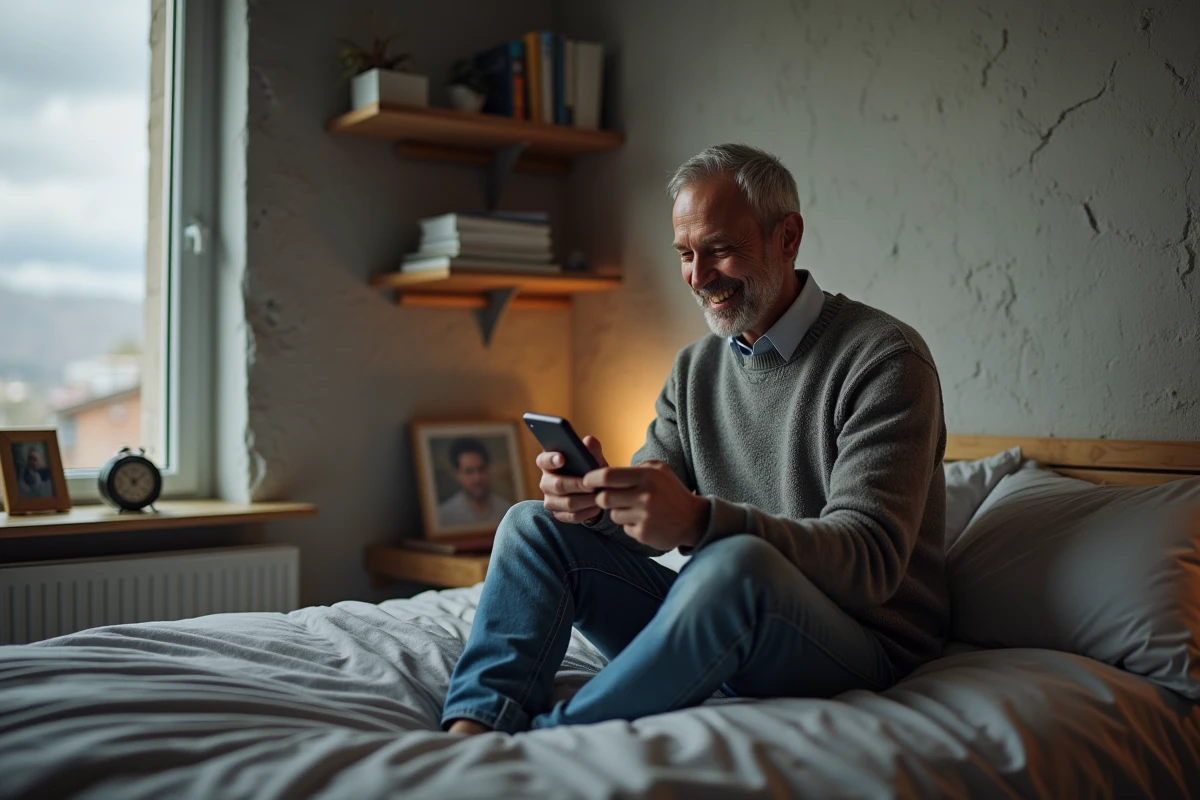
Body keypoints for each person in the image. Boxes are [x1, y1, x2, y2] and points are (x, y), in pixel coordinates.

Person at [443, 144, 947, 736]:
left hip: (860, 644)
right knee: (533, 526)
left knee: (737, 564)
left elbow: (870, 563)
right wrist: (597, 503)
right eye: (685, 254)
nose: (698, 277)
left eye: (720, 250)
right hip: (722, 618)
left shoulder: (885, 360)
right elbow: (648, 525)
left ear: (788, 237)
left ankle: (553, 738)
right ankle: (473, 731)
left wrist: (701, 522)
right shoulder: (694, 370)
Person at [436, 438, 511, 528]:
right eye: (469, 471)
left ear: (488, 469)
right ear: (456, 474)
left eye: (481, 469)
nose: (477, 478)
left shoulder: (506, 510)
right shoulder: (444, 515)